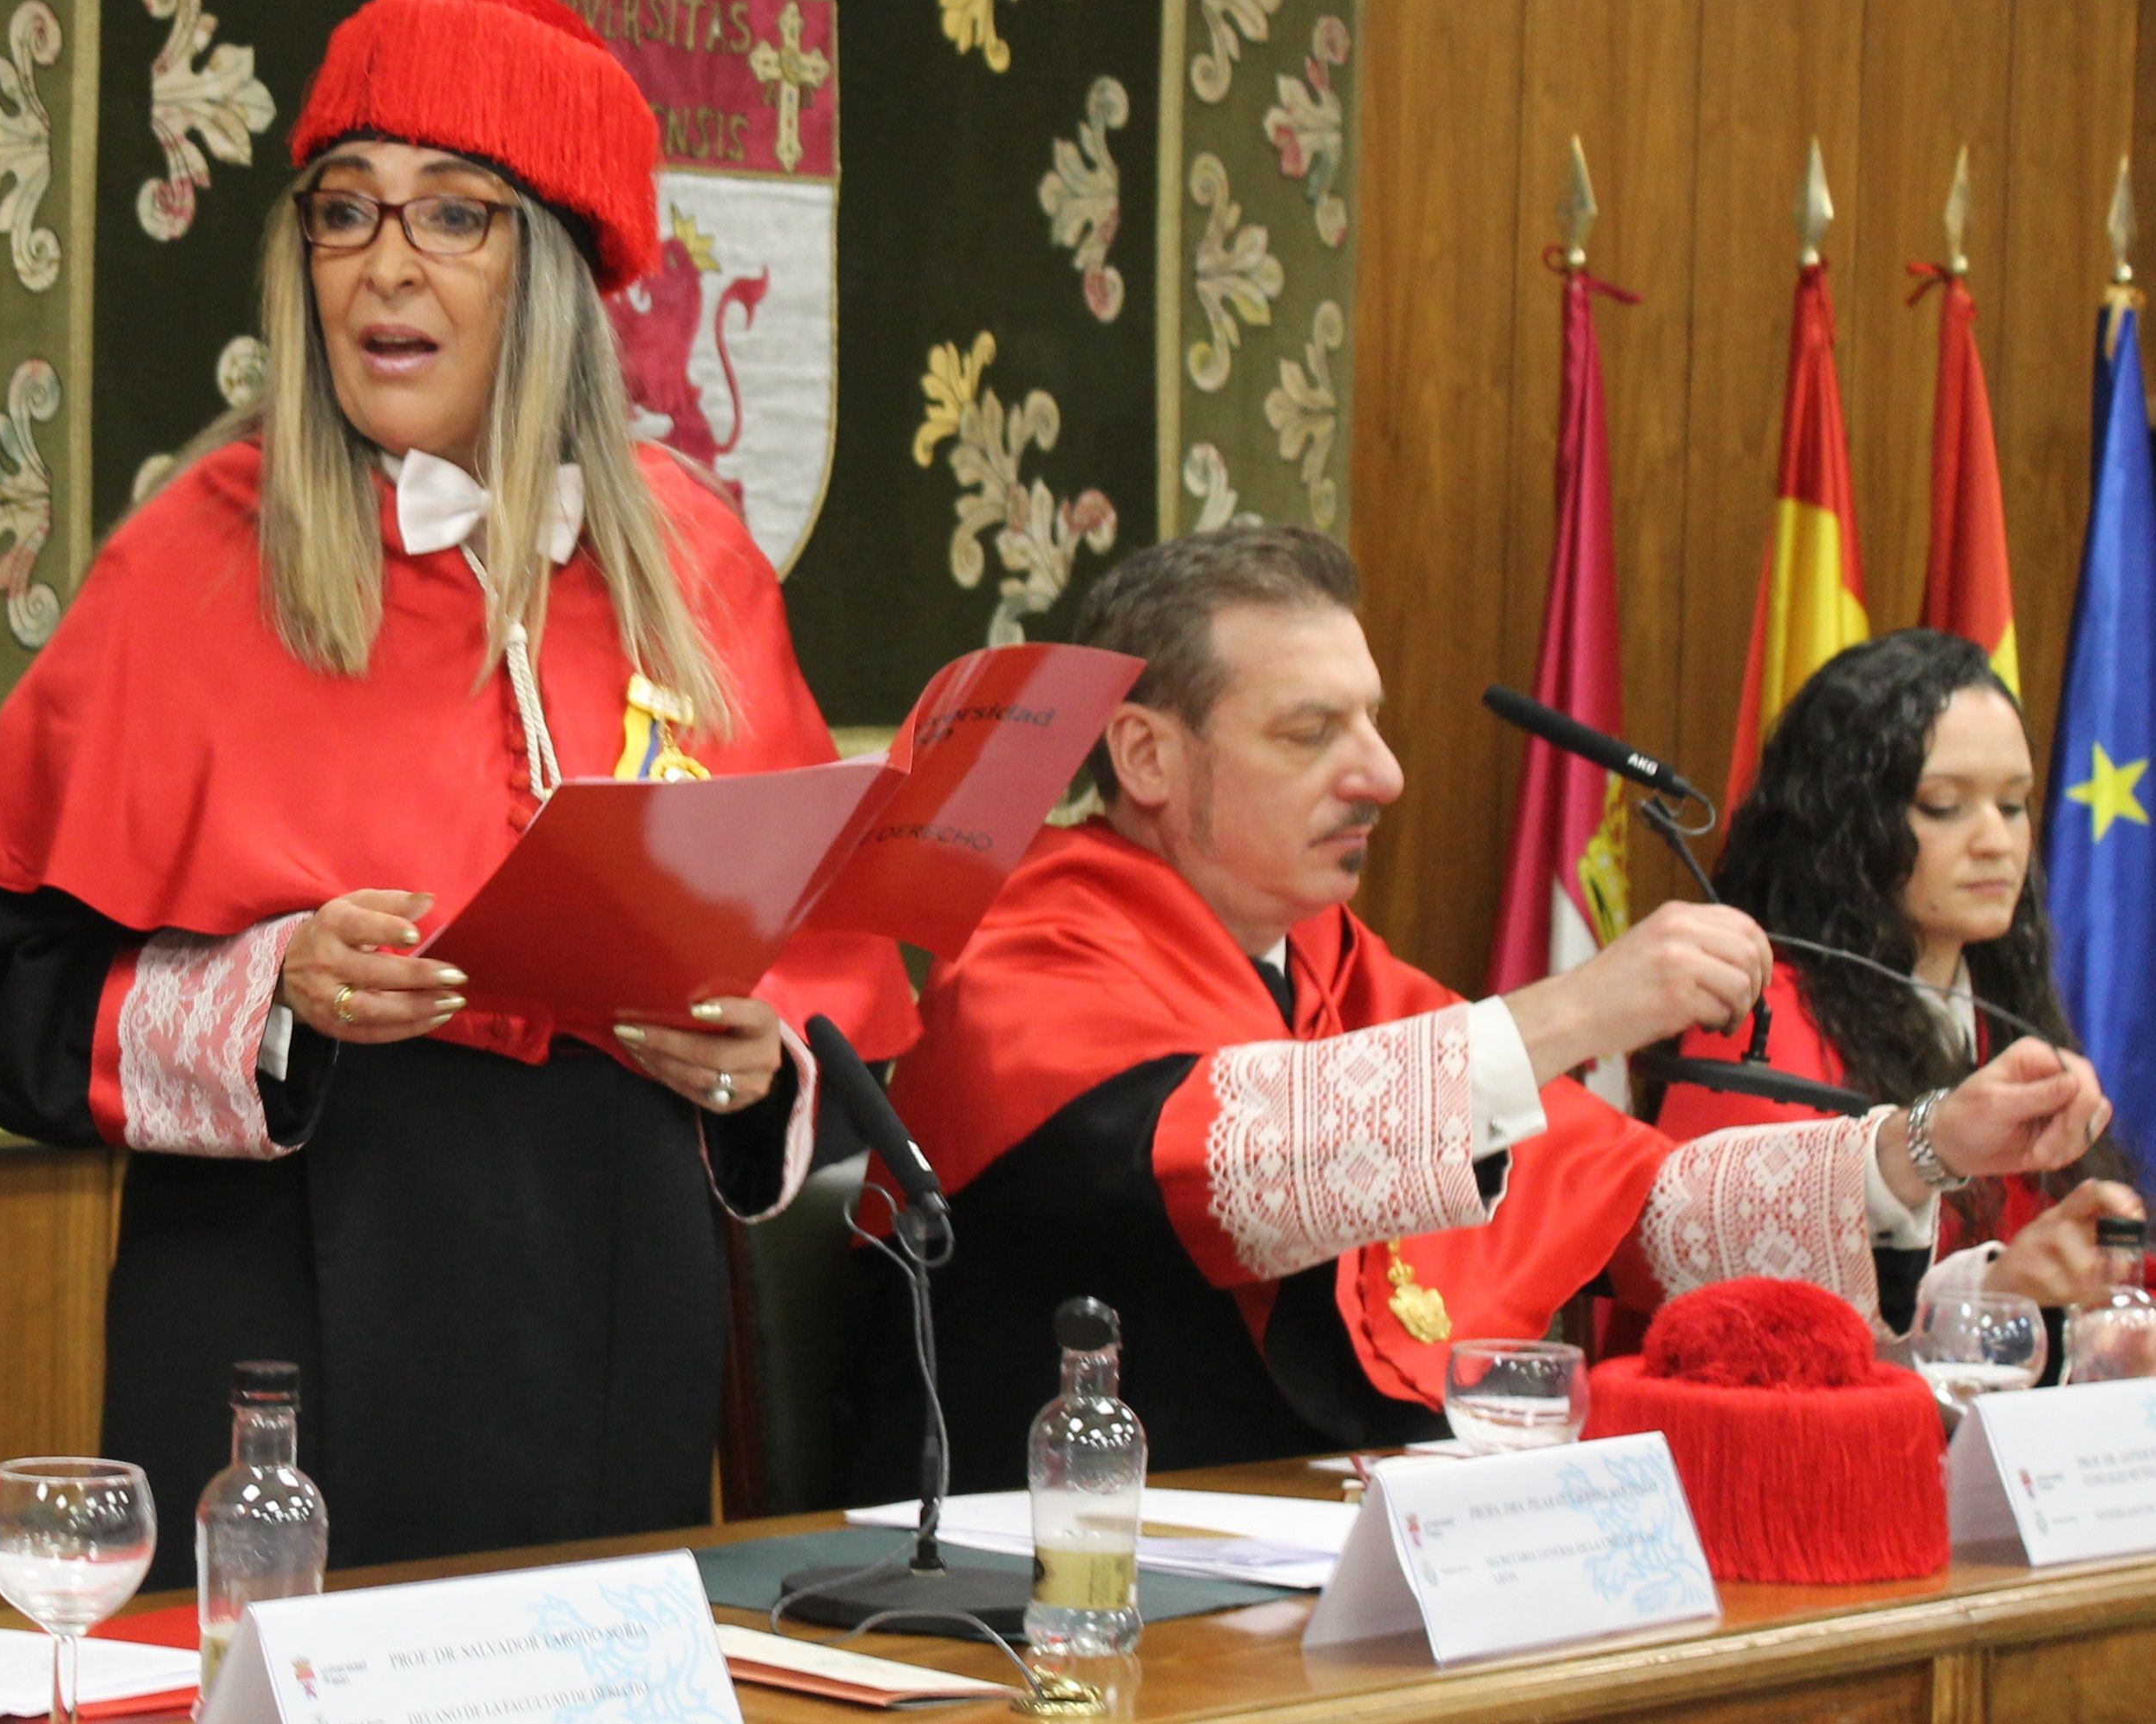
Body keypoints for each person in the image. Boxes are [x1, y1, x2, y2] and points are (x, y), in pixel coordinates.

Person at [0, 0, 915, 1578]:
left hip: (612, 1330)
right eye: (345, 210)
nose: (384, 264)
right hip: (282, 1320)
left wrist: (755, 1064)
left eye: (452, 215)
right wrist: (268, 996)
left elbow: (819, 990)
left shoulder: (699, 563)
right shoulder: (189, 561)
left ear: (558, 274)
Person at [847, 529, 2110, 1492]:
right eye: (1310, 732)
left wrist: (1925, 1144)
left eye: (1372, 722)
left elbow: (1637, 1208)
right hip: (1045, 1564)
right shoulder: (1030, 946)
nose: (1381, 774)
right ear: (1144, 758)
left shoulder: (1325, 960)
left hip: (1286, 1541)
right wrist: (1579, 1009)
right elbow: (1232, 1162)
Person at [1661, 628, 2143, 1310]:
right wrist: (1990, 1296)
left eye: (2012, 805)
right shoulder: (1758, 1020)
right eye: (1944, 806)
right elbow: (1740, 1315)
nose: (1996, 841)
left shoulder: (2000, 1010)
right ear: (1844, 826)